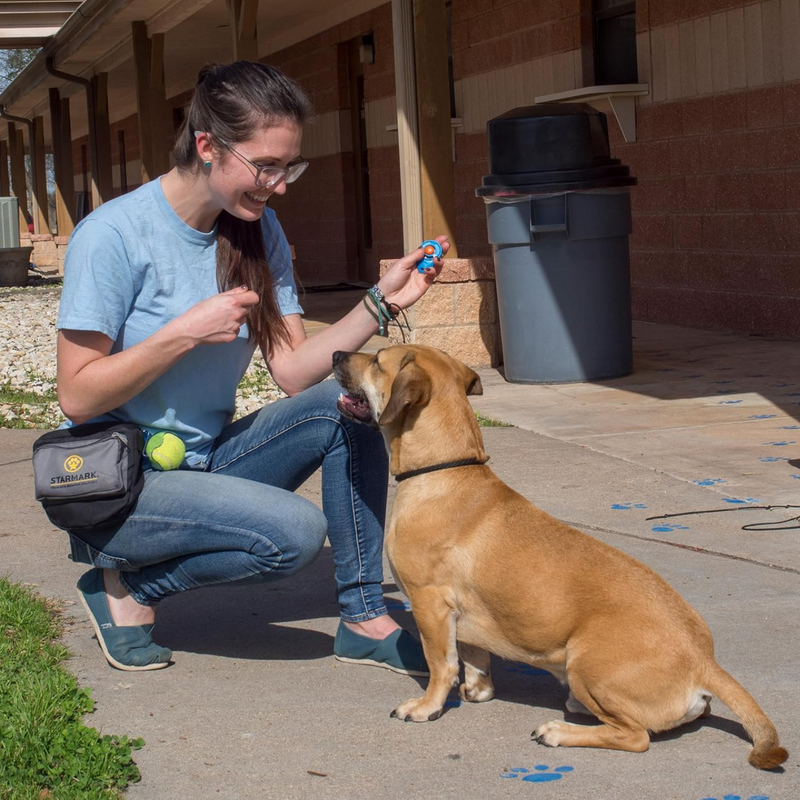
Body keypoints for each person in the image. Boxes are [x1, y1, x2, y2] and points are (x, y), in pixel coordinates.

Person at [56, 61, 448, 672]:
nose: (280, 184)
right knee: (292, 535)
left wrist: (379, 302)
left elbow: (293, 370)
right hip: (124, 481)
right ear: (208, 146)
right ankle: (129, 589)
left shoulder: (257, 230)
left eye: (289, 166)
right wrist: (182, 334)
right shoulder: (111, 235)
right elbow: (77, 397)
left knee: (349, 408)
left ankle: (365, 618)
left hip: (208, 460)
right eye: (266, 165)